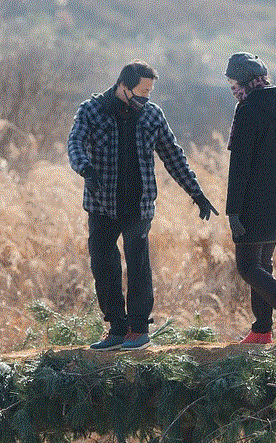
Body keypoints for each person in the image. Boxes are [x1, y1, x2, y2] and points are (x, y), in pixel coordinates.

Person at [68, 60, 218, 351]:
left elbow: (174, 156)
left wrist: (196, 193)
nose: (145, 98)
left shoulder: (151, 115)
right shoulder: (91, 110)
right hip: (101, 203)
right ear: (122, 87)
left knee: (138, 266)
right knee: (103, 265)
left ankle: (138, 330)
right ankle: (116, 329)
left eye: (149, 92)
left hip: (139, 205)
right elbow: (75, 143)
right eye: (140, 92)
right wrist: (85, 169)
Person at [223, 52, 276, 344]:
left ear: (246, 83)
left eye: (234, 82)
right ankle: (261, 331)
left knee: (247, 266)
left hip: (253, 203)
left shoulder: (247, 111)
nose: (232, 88)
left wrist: (233, 212)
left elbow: (240, 165)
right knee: (263, 265)